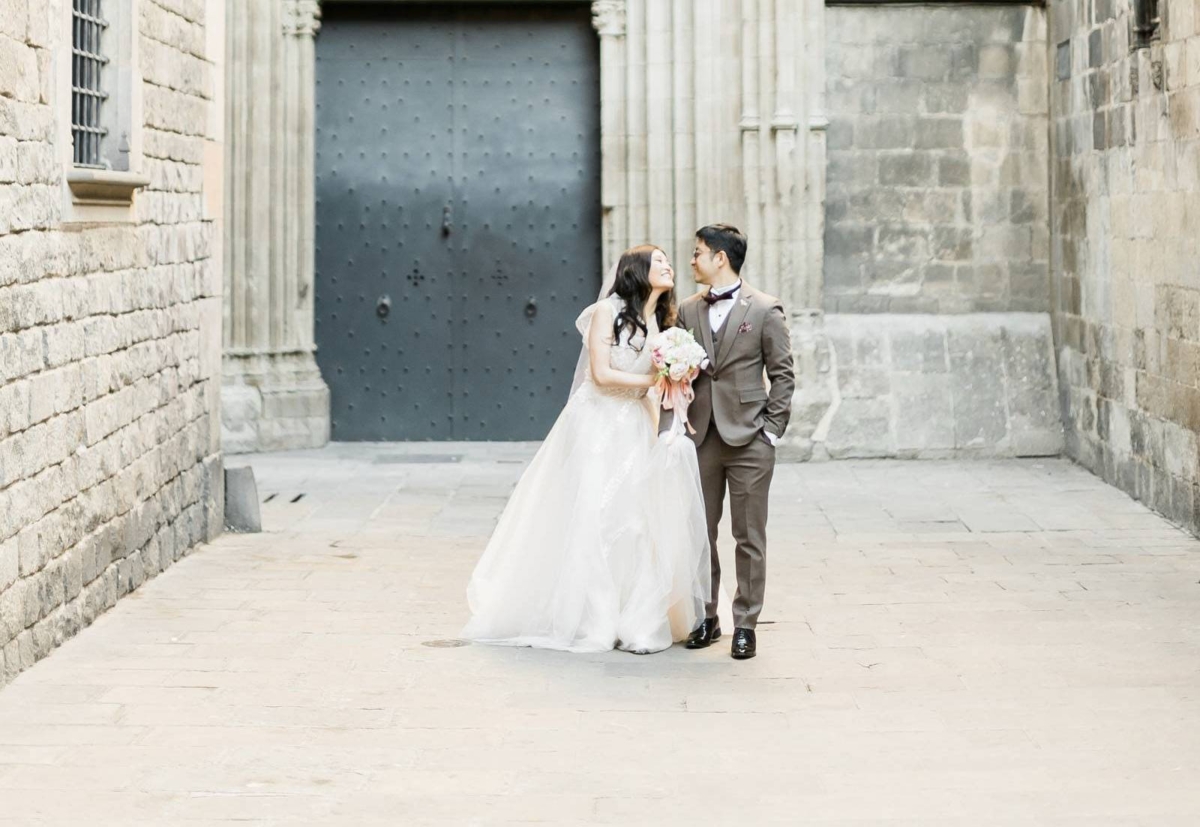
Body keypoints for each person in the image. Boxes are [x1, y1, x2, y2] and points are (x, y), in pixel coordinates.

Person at [463, 245, 710, 654]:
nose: (669, 266)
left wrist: (671, 382)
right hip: (598, 425)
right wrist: (653, 380)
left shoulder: (661, 323)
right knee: (595, 516)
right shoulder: (606, 313)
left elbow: (655, 385)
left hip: (635, 425)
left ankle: (635, 620)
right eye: (660, 261)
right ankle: (594, 620)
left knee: (636, 521)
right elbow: (599, 373)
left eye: (669, 262)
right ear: (638, 270)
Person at [663, 224, 795, 660]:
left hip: (750, 439)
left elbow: (782, 375)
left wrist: (771, 431)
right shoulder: (687, 309)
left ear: (721, 258)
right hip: (701, 438)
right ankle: (707, 618)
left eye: (698, 253)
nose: (692, 260)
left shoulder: (764, 309)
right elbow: (681, 373)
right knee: (700, 534)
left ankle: (746, 625)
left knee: (748, 536)